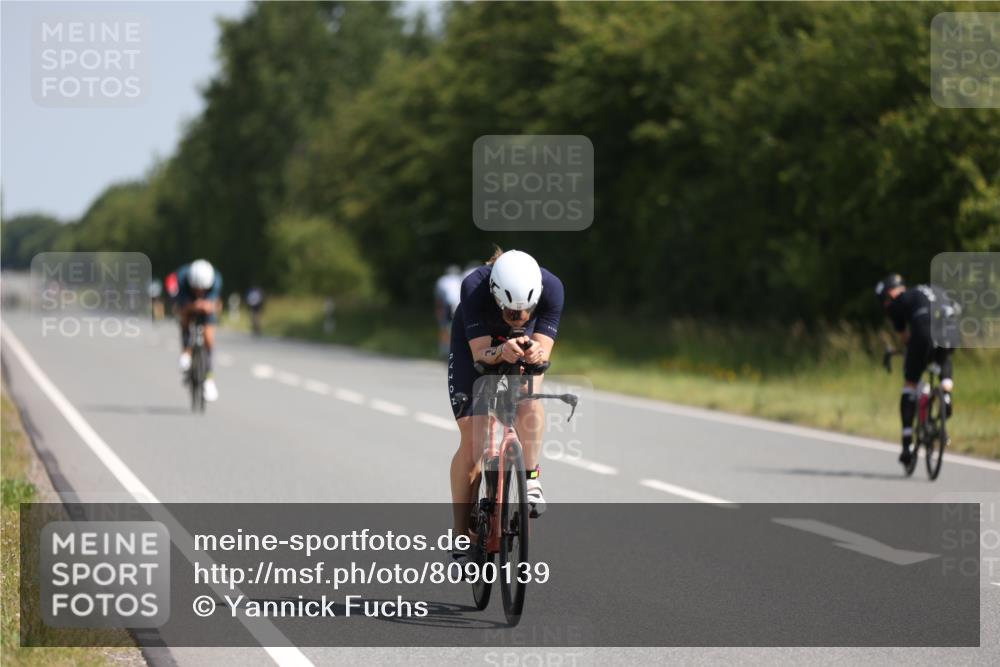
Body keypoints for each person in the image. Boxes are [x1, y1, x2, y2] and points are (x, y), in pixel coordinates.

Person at [448, 248, 564, 551]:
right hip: (476, 347)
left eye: (525, 313)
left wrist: (536, 353)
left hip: (522, 345)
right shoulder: (474, 287)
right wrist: (500, 351)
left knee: (529, 397)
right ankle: (460, 535)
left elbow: (542, 357)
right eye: (510, 312)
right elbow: (480, 355)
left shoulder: (552, 289)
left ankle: (531, 479)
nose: (517, 319)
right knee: (474, 440)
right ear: (496, 296)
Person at [875, 273, 960, 468]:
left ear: (890, 293)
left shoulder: (901, 300)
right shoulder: (934, 289)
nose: (886, 305)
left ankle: (906, 444)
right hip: (951, 331)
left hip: (923, 332)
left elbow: (906, 338)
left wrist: (909, 351)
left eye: (885, 301)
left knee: (910, 384)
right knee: (943, 358)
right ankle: (946, 395)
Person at [176, 259, 222, 401]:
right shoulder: (182, 278)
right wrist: (191, 306)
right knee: (184, 317)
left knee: (208, 338)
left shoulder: (216, 280)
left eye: (203, 289)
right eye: (196, 288)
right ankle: (186, 353)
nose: (199, 292)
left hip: (207, 304)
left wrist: (208, 306)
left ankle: (209, 380)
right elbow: (180, 304)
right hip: (187, 300)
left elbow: (215, 304)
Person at [434, 265, 463, 357]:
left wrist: (439, 310)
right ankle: (454, 351)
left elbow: (439, 299)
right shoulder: (460, 279)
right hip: (459, 305)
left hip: (448, 305)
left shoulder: (442, 280)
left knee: (445, 327)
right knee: (457, 328)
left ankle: (445, 351)